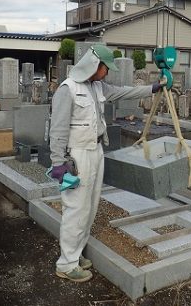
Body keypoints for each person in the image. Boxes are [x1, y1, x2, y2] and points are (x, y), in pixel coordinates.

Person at [48, 44, 163, 282]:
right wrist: (59, 164)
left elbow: (124, 92)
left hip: (96, 150)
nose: (107, 72)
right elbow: (57, 130)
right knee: (76, 209)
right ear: (94, 65)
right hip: (77, 155)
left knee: (89, 208)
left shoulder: (98, 86)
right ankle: (66, 264)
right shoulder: (67, 90)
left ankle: (76, 253)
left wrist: (154, 88)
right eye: (105, 68)